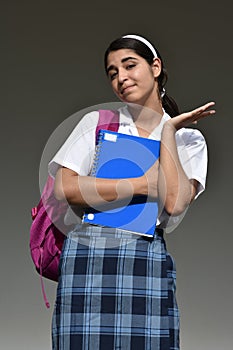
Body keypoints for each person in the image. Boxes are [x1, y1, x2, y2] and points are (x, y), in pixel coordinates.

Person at [49, 34, 215, 350]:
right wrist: (143, 184)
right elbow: (65, 187)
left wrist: (168, 132)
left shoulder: (187, 139)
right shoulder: (97, 122)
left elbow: (175, 202)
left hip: (144, 256)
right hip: (86, 256)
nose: (121, 78)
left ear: (155, 67)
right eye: (113, 73)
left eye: (129, 66)